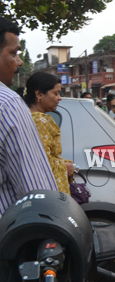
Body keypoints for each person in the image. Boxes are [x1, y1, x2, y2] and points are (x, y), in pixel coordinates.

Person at [0, 16, 59, 214]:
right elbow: (36, 192)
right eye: (14, 53)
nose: (19, 61)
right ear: (39, 94)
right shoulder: (9, 105)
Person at [24, 72, 77, 195]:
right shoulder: (40, 120)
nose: (60, 98)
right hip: (46, 190)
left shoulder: (30, 117)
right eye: (56, 93)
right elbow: (40, 162)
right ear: (39, 94)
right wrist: (65, 167)